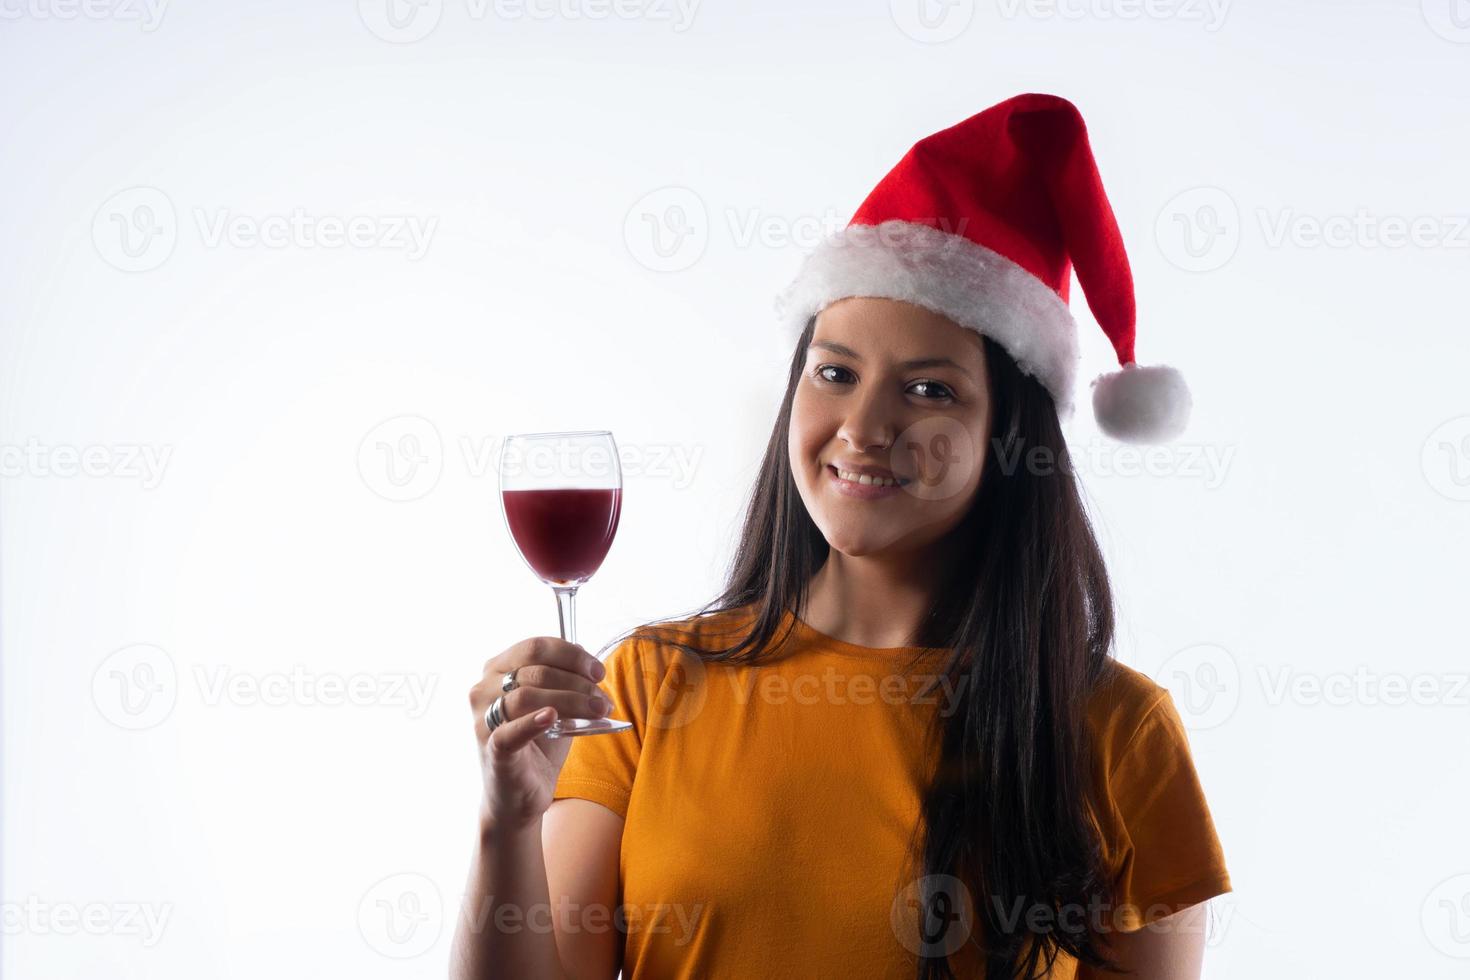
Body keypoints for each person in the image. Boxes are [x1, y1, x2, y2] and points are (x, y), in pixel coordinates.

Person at [453, 93, 1231, 979]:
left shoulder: (1117, 732)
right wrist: (506, 820)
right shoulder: (649, 684)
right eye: (836, 372)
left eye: (929, 390)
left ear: (1008, 439)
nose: (864, 426)